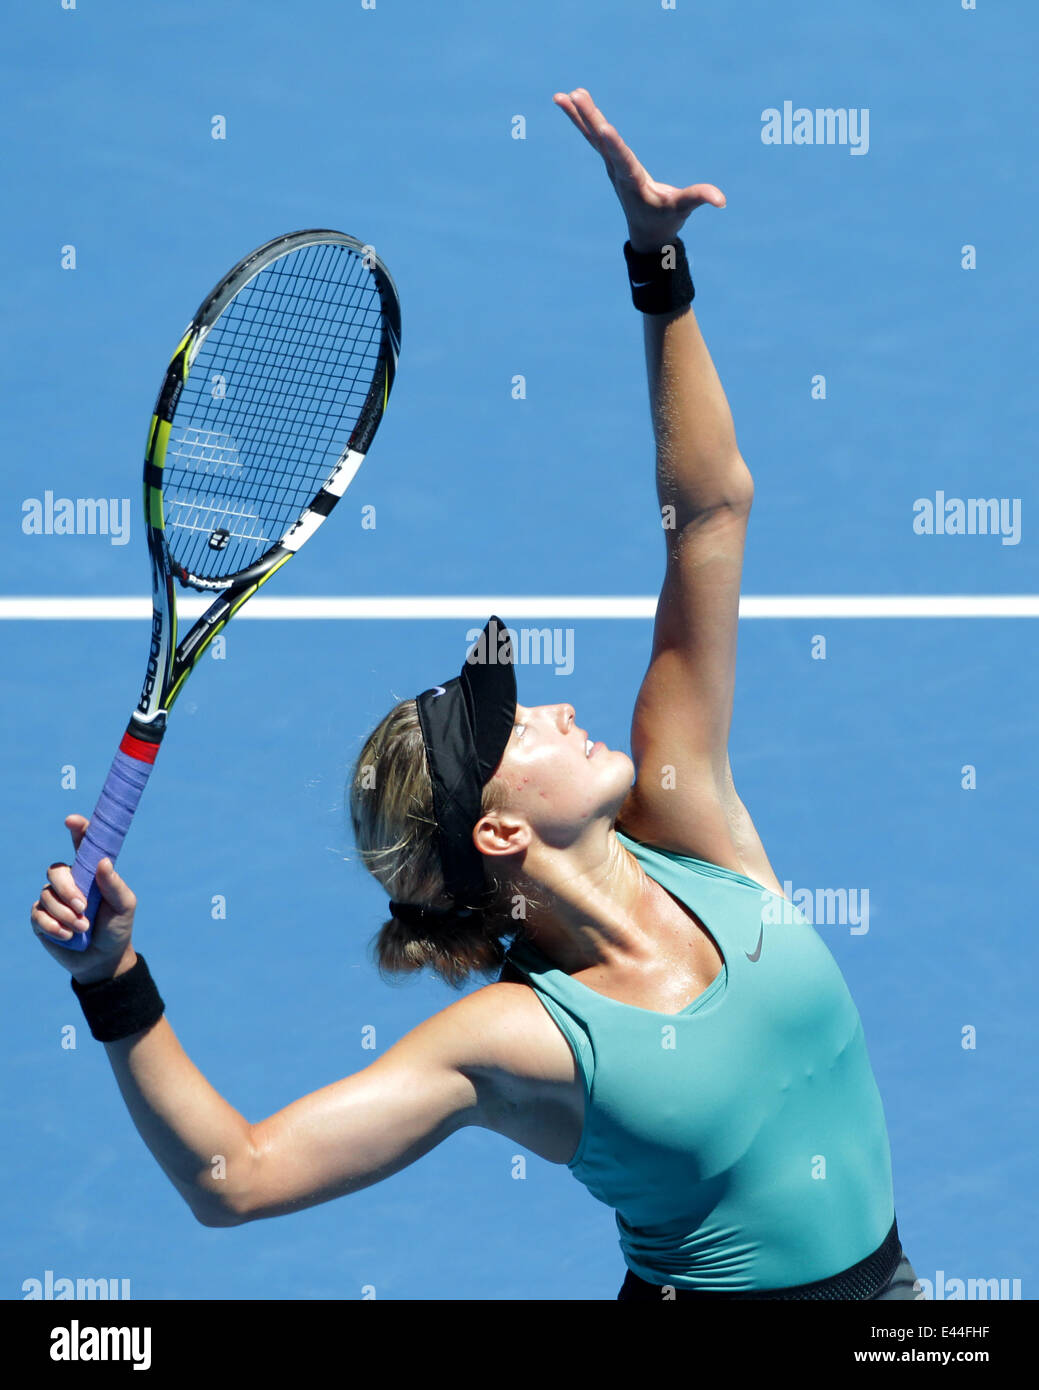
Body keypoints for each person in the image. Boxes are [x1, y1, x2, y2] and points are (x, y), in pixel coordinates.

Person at [31, 87, 921, 1301]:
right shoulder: (519, 1039)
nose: (556, 709)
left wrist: (654, 264)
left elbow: (708, 515)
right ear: (498, 829)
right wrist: (111, 981)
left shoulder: (690, 818)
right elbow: (233, 1176)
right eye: (516, 730)